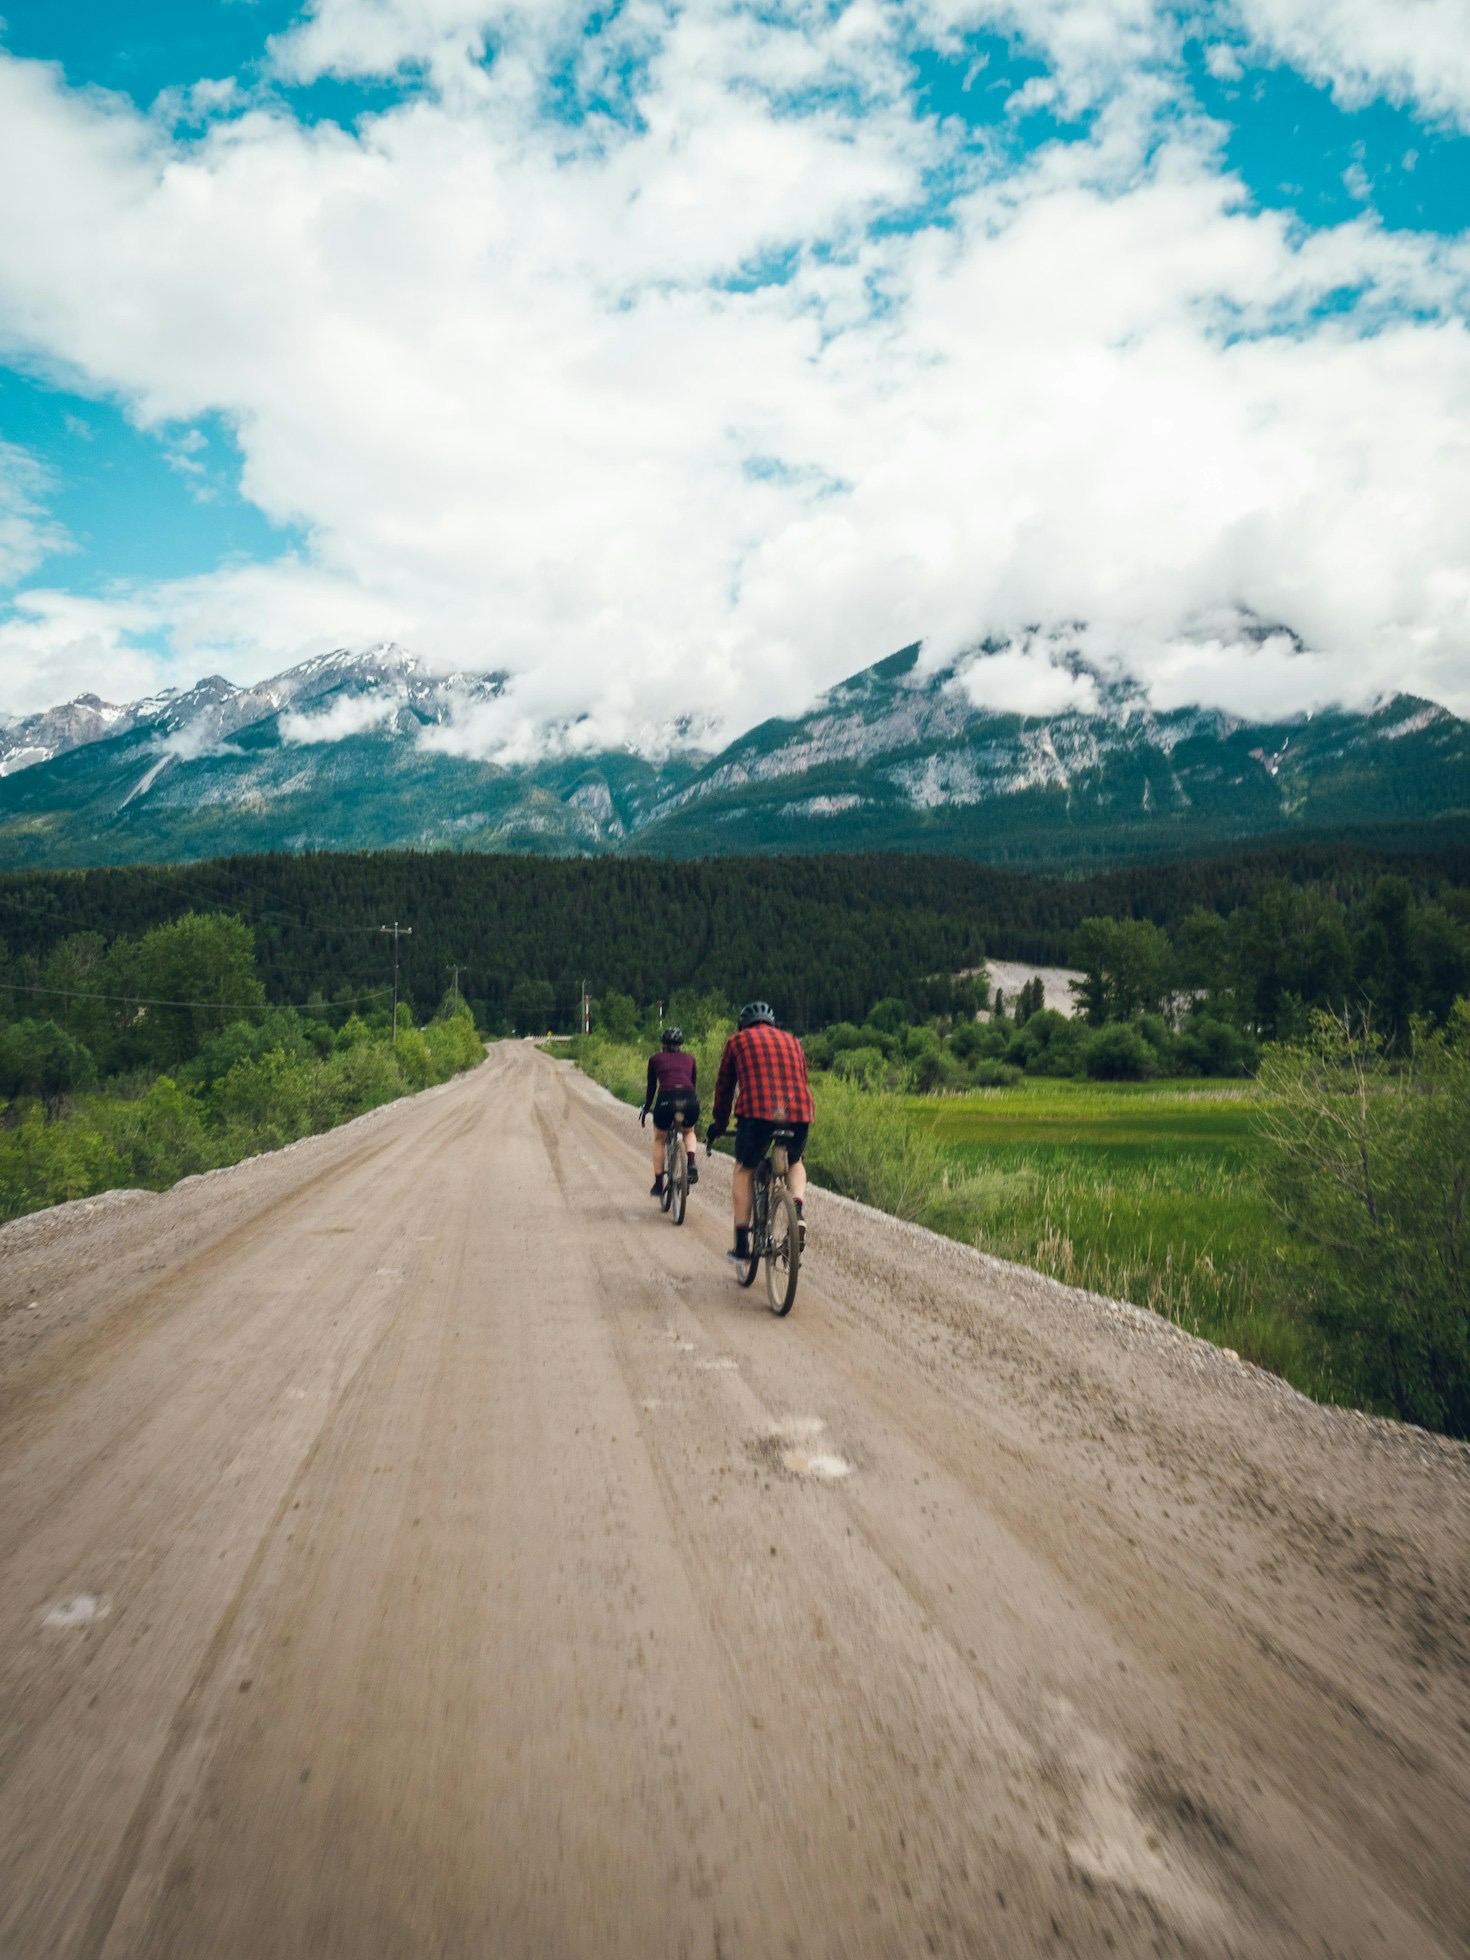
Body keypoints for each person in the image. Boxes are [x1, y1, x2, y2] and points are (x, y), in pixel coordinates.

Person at [706, 1000, 814, 1265]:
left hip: (758, 1113)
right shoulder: (793, 1041)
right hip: (798, 1111)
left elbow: (724, 1088)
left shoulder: (737, 1041)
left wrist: (719, 1124)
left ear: (743, 1025)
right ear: (772, 1023)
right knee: (795, 1161)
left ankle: (742, 1246)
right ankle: (796, 1210)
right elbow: (802, 1079)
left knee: (744, 1169)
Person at [640, 1026, 700, 1199]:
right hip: (689, 1100)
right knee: (689, 1131)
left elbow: (652, 1087)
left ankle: (659, 1184)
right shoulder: (690, 1059)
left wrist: (647, 1106)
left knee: (659, 1138)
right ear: (680, 1045)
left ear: (663, 1045)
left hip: (666, 1100)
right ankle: (691, 1162)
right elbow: (692, 1085)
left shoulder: (655, 1059)